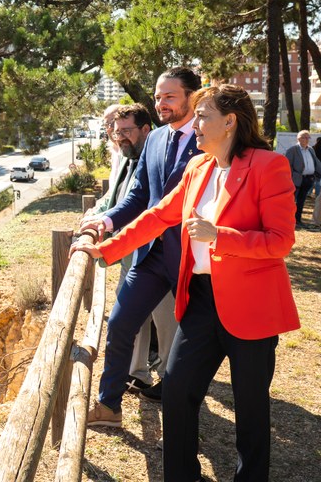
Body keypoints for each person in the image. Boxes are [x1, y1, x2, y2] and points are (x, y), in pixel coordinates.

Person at [72, 84, 300, 482]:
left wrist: (219, 236)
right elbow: (158, 215)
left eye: (203, 116)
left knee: (250, 407)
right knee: (176, 389)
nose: (194, 124)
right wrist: (105, 249)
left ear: (229, 122)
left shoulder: (268, 166)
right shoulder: (198, 167)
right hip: (201, 301)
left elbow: (281, 241)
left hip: (253, 306)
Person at [79, 66, 202, 422]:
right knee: (120, 323)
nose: (161, 103)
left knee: (188, 343)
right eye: (158, 96)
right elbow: (139, 196)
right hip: (150, 254)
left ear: (192, 96)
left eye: (170, 96)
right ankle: (109, 405)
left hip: (194, 258)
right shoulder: (156, 139)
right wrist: (105, 221)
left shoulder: (210, 138)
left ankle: (182, 416)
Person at [89, 103, 175, 392]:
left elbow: (147, 205)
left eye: (126, 131)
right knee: (129, 318)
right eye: (116, 132)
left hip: (156, 251)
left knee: (165, 319)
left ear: (145, 129)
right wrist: (101, 218)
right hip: (130, 250)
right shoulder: (127, 157)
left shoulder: (157, 156)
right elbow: (120, 198)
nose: (119, 137)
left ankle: (169, 378)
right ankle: (136, 372)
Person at [284, 130, 321, 228]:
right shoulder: (293, 150)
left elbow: (316, 162)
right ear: (299, 138)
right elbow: (287, 165)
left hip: (308, 179)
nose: (307, 139)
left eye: (308, 137)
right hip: (296, 179)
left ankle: (298, 220)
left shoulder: (311, 149)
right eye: (305, 137)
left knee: (301, 201)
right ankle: (288, 220)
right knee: (292, 201)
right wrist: (292, 176)